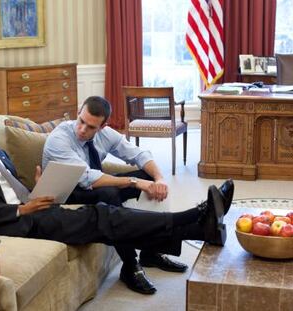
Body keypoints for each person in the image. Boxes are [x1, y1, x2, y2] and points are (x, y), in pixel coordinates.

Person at [0, 99, 233, 295]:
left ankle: (198, 226)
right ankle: (195, 219)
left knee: (108, 215)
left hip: (37, 210)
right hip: (16, 224)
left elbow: (15, 190)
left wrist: (35, 191)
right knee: (104, 212)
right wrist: (22, 210)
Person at [42, 96, 234, 276]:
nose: (82, 129)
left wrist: (158, 179)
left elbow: (139, 155)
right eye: (81, 121)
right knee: (109, 194)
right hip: (66, 194)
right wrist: (133, 182)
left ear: (102, 126)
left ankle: (152, 253)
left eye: (90, 127)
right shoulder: (59, 138)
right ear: (78, 112)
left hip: (92, 186)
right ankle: (131, 263)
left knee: (145, 176)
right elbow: (87, 178)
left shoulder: (106, 135)